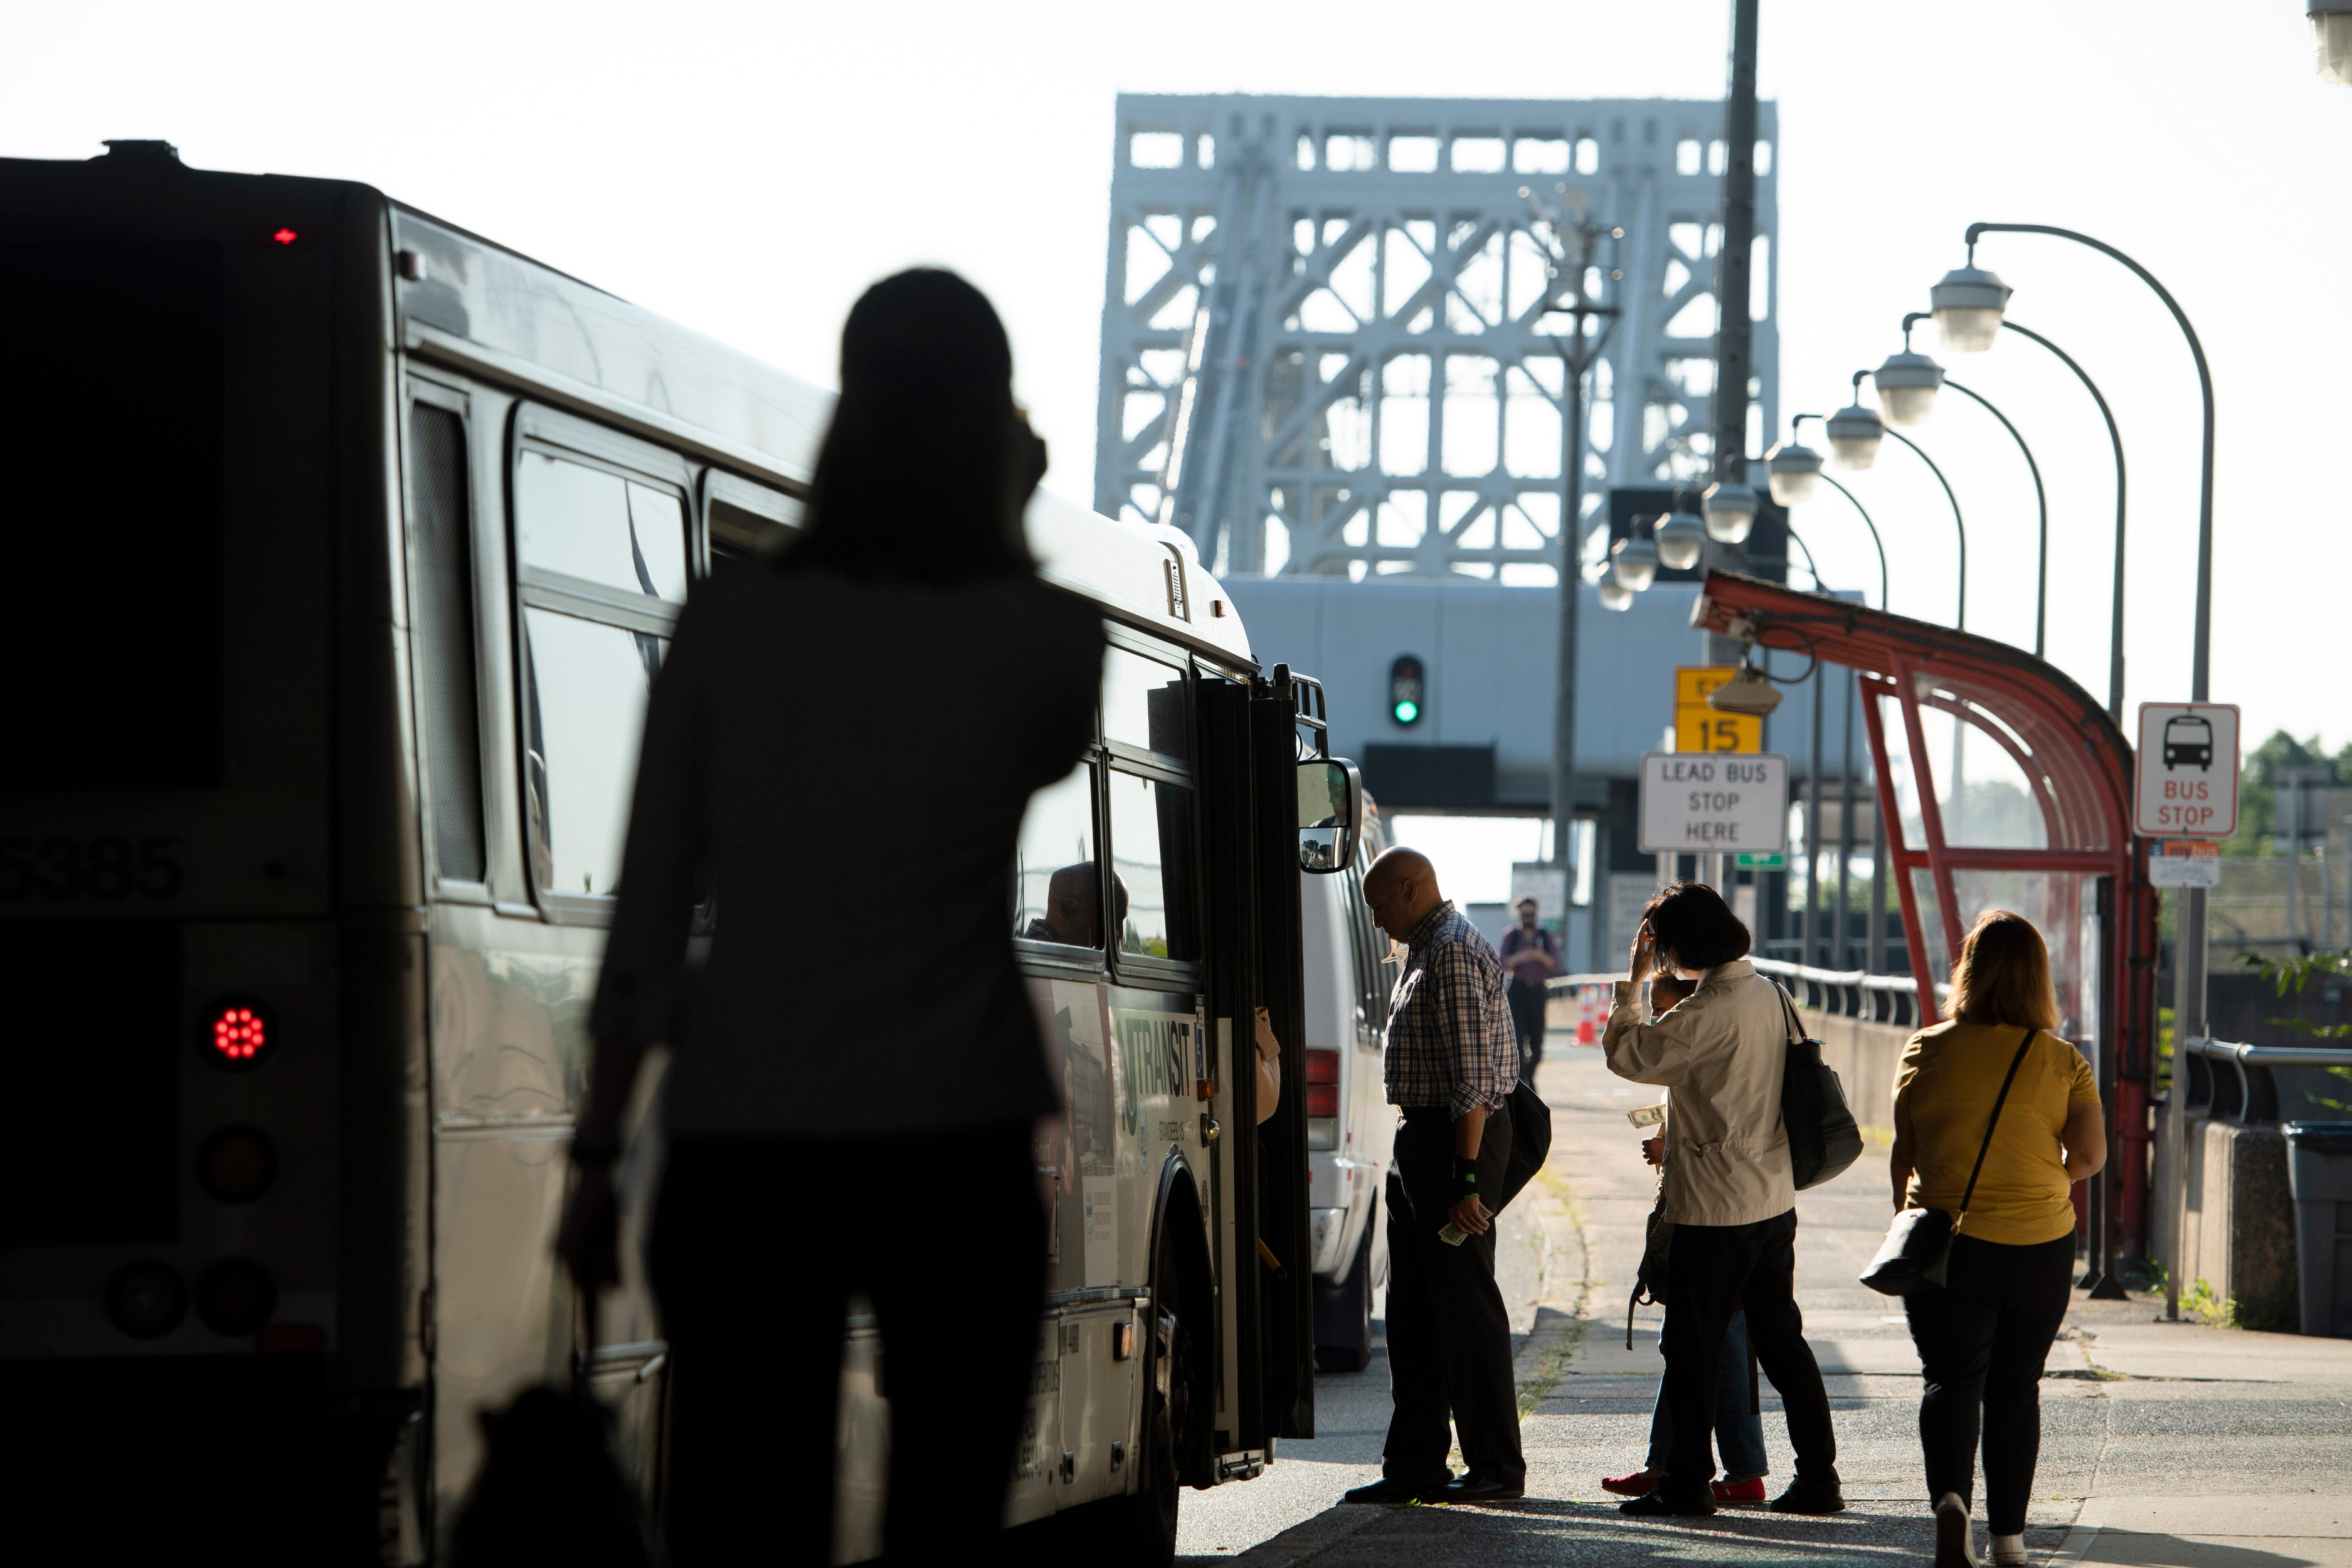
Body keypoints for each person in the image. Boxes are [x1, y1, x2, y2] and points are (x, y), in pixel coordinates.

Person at [556, 269, 1104, 1566]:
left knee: (748, 1519)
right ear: (996, 429)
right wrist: (1008, 501)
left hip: (746, 1133)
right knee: (946, 1524)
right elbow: (1022, 736)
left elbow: (647, 909)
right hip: (955, 1139)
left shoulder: (729, 620)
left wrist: (592, 1158)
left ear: (847, 412)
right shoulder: (1048, 636)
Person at [1601, 881, 1843, 1518]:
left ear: (1684, 944)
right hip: (1773, 1198)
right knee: (1782, 1340)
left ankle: (1686, 1485)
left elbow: (1628, 1054)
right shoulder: (1771, 994)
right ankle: (1820, 1476)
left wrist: (1633, 982)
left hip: (1712, 1208)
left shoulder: (1705, 1013)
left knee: (1693, 1348)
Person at [1891, 911, 2105, 1568]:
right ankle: (2008, 1540)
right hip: (2039, 1245)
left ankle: (1951, 1501)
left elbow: (1906, 1151)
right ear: (2039, 979)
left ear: (1968, 971)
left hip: (1945, 1242)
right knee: (2016, 1386)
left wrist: (1905, 1219)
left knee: (1950, 1380)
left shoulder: (1927, 1047)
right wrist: (2044, 1178)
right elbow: (2091, 1156)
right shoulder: (2063, 1060)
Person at [1341, 847, 1525, 1506]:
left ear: (1413, 888)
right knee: (1413, 1309)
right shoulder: (1423, 948)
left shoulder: (1448, 950)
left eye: (1381, 903)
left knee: (1466, 1308)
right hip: (1420, 1138)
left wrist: (1467, 1179)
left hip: (1454, 1141)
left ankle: (1497, 1466)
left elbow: (1474, 1080)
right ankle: (1415, 1462)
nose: (1377, 917)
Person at [1601, 970, 1771, 1505]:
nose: (1657, 1018)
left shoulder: (1701, 1024)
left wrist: (1669, 1150)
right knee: (1695, 1341)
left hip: (1716, 1211)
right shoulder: (1754, 1008)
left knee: (1712, 1342)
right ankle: (1672, 1461)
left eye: (1662, 1005)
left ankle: (1734, 1470)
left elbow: (1632, 1056)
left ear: (1690, 1001)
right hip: (1734, 1205)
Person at [1498, 896, 1560, 1076]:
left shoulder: (1544, 936)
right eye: (1525, 914)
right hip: (1517, 991)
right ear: (1519, 913)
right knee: (1517, 1041)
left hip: (1538, 992)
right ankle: (1523, 1081)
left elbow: (1556, 964)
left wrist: (1539, 956)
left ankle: (1529, 1077)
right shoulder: (1512, 935)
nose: (1528, 917)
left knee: (1537, 1044)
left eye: (1531, 914)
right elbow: (1502, 962)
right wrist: (1523, 956)